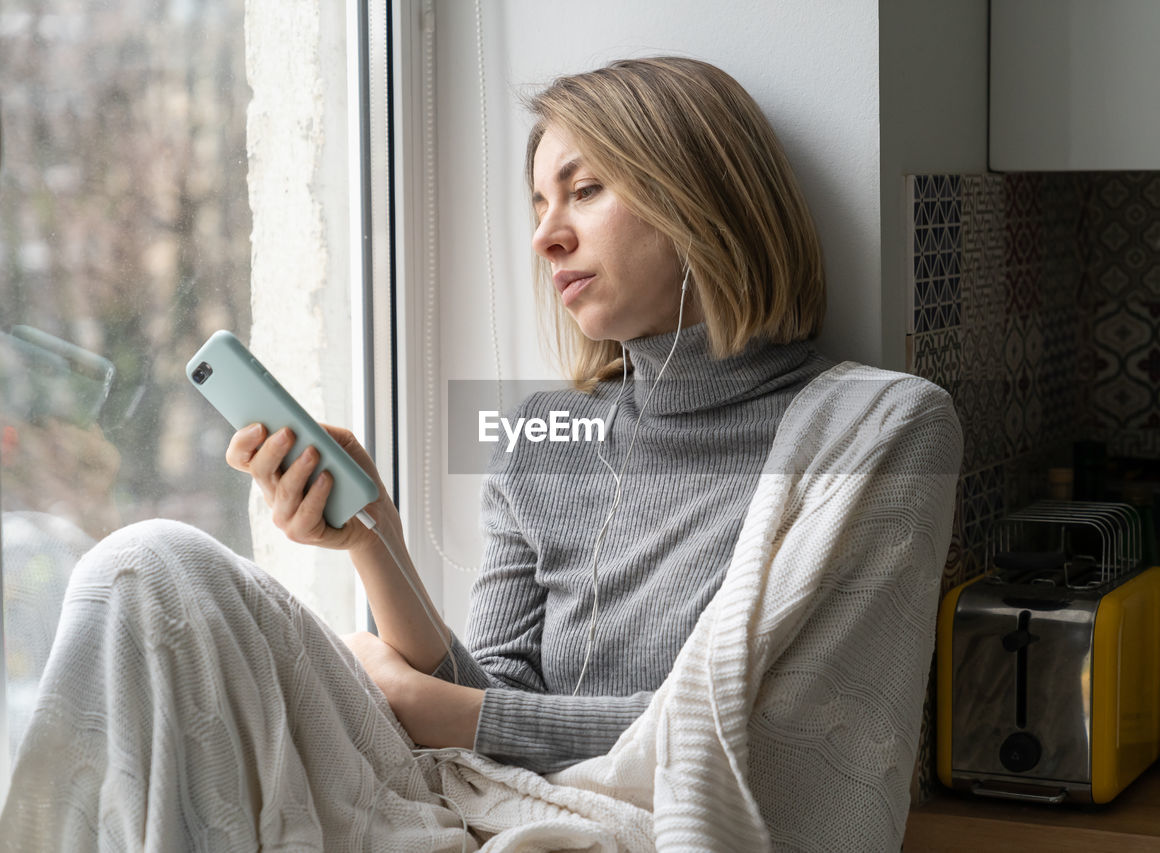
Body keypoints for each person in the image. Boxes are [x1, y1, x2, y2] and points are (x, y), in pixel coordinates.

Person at [1, 57, 948, 849]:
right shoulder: (543, 433)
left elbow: (775, 745)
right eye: (538, 202)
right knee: (146, 566)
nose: (546, 234)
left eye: (584, 190)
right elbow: (485, 695)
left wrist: (453, 716)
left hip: (631, 833)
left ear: (702, 195)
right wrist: (374, 536)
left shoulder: (878, 432)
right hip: (481, 806)